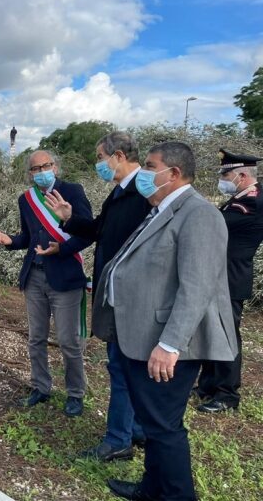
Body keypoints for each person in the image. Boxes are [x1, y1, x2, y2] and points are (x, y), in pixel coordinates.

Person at [93, 141, 237, 500]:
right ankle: (152, 489)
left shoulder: (199, 214)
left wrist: (170, 344)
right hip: (141, 337)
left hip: (167, 344)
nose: (143, 173)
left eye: (151, 166)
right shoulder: (162, 208)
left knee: (164, 428)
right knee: (155, 426)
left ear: (173, 173)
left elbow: (197, 287)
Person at [43, 132, 152, 462]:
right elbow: (98, 231)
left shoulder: (142, 192)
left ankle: (118, 439)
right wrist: (69, 218)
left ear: (118, 156)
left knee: (121, 368)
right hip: (115, 289)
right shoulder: (119, 192)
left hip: (130, 294)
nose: (98, 164)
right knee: (125, 367)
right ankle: (135, 430)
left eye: (100, 157)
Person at [0, 150, 93, 417]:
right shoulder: (26, 200)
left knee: (69, 341)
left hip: (65, 275)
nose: (40, 172)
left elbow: (88, 233)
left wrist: (62, 249)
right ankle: (41, 387)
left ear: (55, 167)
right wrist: (10, 241)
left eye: (45, 166)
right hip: (34, 275)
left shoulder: (73, 191)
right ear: (30, 173)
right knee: (36, 337)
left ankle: (75, 393)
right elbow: (28, 237)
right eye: (35, 169)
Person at [194, 148, 263, 413]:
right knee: (211, 331)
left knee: (226, 337)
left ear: (243, 175)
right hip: (219, 275)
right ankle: (208, 385)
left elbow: (214, 225)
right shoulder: (240, 197)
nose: (222, 178)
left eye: (227, 173)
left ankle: (227, 394)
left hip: (230, 279)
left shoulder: (251, 203)